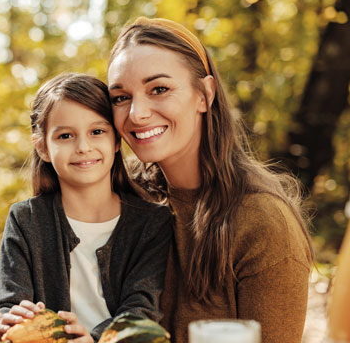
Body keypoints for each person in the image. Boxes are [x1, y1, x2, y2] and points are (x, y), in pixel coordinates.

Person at [103, 17, 314, 343]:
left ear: (205, 94)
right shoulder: (121, 199)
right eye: (121, 97)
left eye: (159, 89)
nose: (136, 113)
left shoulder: (263, 223)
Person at [0, 73, 173, 343]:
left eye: (97, 132)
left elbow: (141, 310)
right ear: (43, 148)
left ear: (116, 140)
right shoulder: (26, 219)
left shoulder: (152, 222)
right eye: (65, 136)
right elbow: (9, 305)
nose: (83, 147)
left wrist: (93, 339)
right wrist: (14, 318)